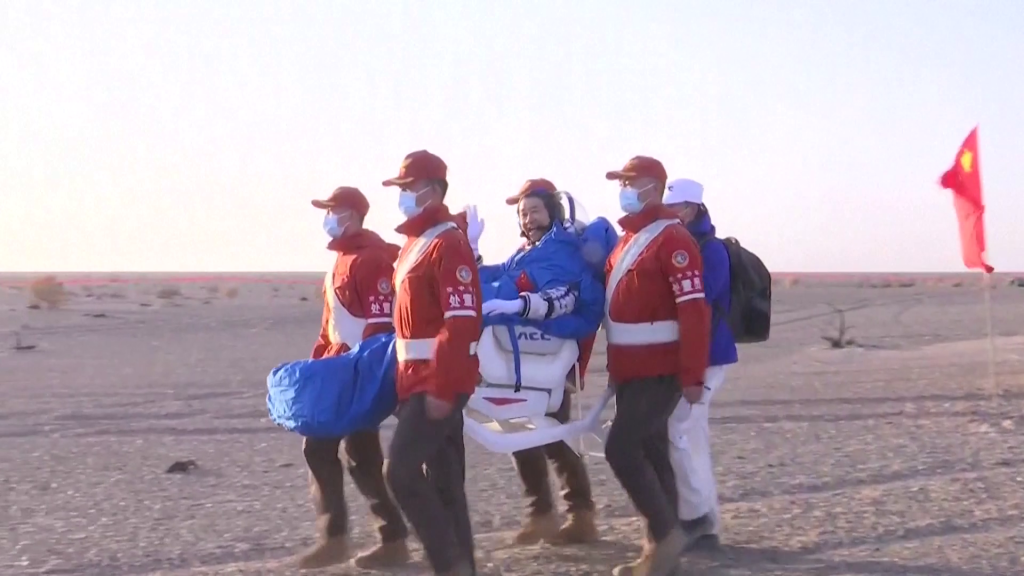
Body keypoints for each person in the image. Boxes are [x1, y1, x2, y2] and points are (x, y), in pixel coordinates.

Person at [466, 179, 603, 545]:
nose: (528, 219)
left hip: (549, 358)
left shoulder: (563, 252)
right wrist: (473, 250)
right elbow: (497, 280)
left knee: (554, 434)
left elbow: (563, 296)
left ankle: (581, 515)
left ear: (552, 210)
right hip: (518, 358)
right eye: (523, 213)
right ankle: (540, 514)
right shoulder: (525, 253)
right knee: (518, 433)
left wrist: (519, 305)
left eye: (535, 211)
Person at [602, 157, 711, 576]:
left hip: (660, 369)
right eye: (621, 183)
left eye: (631, 182)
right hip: (630, 368)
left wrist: (693, 374)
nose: (624, 189)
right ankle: (663, 554)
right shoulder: (628, 241)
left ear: (654, 187)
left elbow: (694, 312)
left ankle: (665, 536)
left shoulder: (673, 239)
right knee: (651, 449)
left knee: (620, 448)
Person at [298, 186, 410, 570]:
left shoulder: (371, 259)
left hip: (359, 373)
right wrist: (317, 367)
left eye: (334, 211)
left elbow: (379, 326)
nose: (328, 218)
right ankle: (383, 538)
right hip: (339, 371)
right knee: (356, 454)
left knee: (333, 450)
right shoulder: (340, 261)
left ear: (353, 215)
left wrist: (360, 376)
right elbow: (329, 327)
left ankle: (347, 539)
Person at [381, 150, 482, 576]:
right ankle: (462, 565)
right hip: (415, 379)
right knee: (445, 480)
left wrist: (442, 387)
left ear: (434, 190)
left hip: (437, 381)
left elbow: (461, 321)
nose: (403, 195)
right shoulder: (416, 244)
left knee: (400, 472)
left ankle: (448, 563)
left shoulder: (448, 243)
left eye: (409, 187)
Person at [663, 178, 738, 550]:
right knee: (691, 436)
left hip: (708, 357)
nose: (666, 213)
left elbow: (696, 300)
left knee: (676, 430)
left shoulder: (710, 250)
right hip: (692, 355)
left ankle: (697, 518)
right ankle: (704, 519)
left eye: (672, 207)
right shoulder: (681, 243)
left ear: (690, 209)